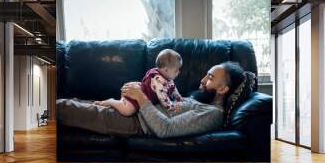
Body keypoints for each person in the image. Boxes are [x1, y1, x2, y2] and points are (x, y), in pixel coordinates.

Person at [56, 61, 246, 138]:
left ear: (223, 89)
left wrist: (141, 97)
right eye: (206, 75)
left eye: (210, 78)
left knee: (63, 107)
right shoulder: (199, 101)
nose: (203, 80)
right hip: (132, 109)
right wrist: (139, 91)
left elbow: (166, 129)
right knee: (75, 101)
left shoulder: (212, 114)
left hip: (133, 122)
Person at [94, 49, 184, 116]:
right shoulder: (159, 81)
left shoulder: (167, 78)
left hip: (141, 90)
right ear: (166, 70)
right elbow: (163, 97)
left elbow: (173, 89)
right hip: (138, 95)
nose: (179, 72)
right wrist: (171, 107)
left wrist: (179, 98)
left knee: (124, 105)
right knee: (127, 111)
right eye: (176, 70)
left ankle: (116, 103)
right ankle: (111, 101)